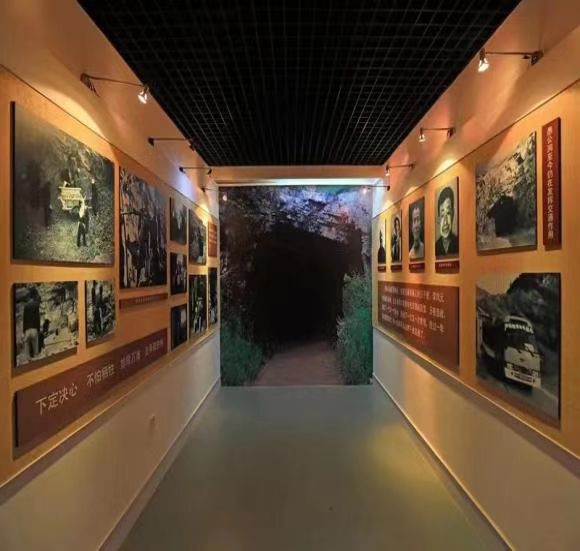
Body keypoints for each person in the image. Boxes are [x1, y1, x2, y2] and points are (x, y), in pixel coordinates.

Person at [435, 186, 459, 257]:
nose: (445, 222)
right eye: (442, 215)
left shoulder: (458, 242)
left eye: (448, 213)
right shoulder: (436, 246)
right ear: (438, 218)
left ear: (453, 214)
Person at [22, 287, 41, 360]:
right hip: (34, 329)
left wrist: (24, 331)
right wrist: (38, 329)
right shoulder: (36, 305)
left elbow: (24, 320)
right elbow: (37, 318)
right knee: (36, 354)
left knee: (27, 356)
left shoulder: (26, 306)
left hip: (27, 330)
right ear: (34, 296)